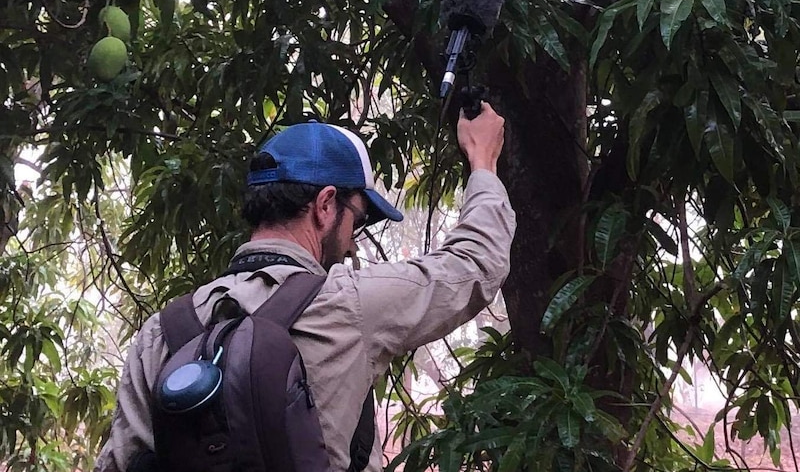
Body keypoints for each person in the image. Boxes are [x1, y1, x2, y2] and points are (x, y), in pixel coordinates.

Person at [95, 102, 516, 472]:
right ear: (326, 205)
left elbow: (121, 463)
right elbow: (475, 263)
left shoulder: (162, 330)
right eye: (359, 218)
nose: (353, 240)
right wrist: (482, 161)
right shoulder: (346, 302)